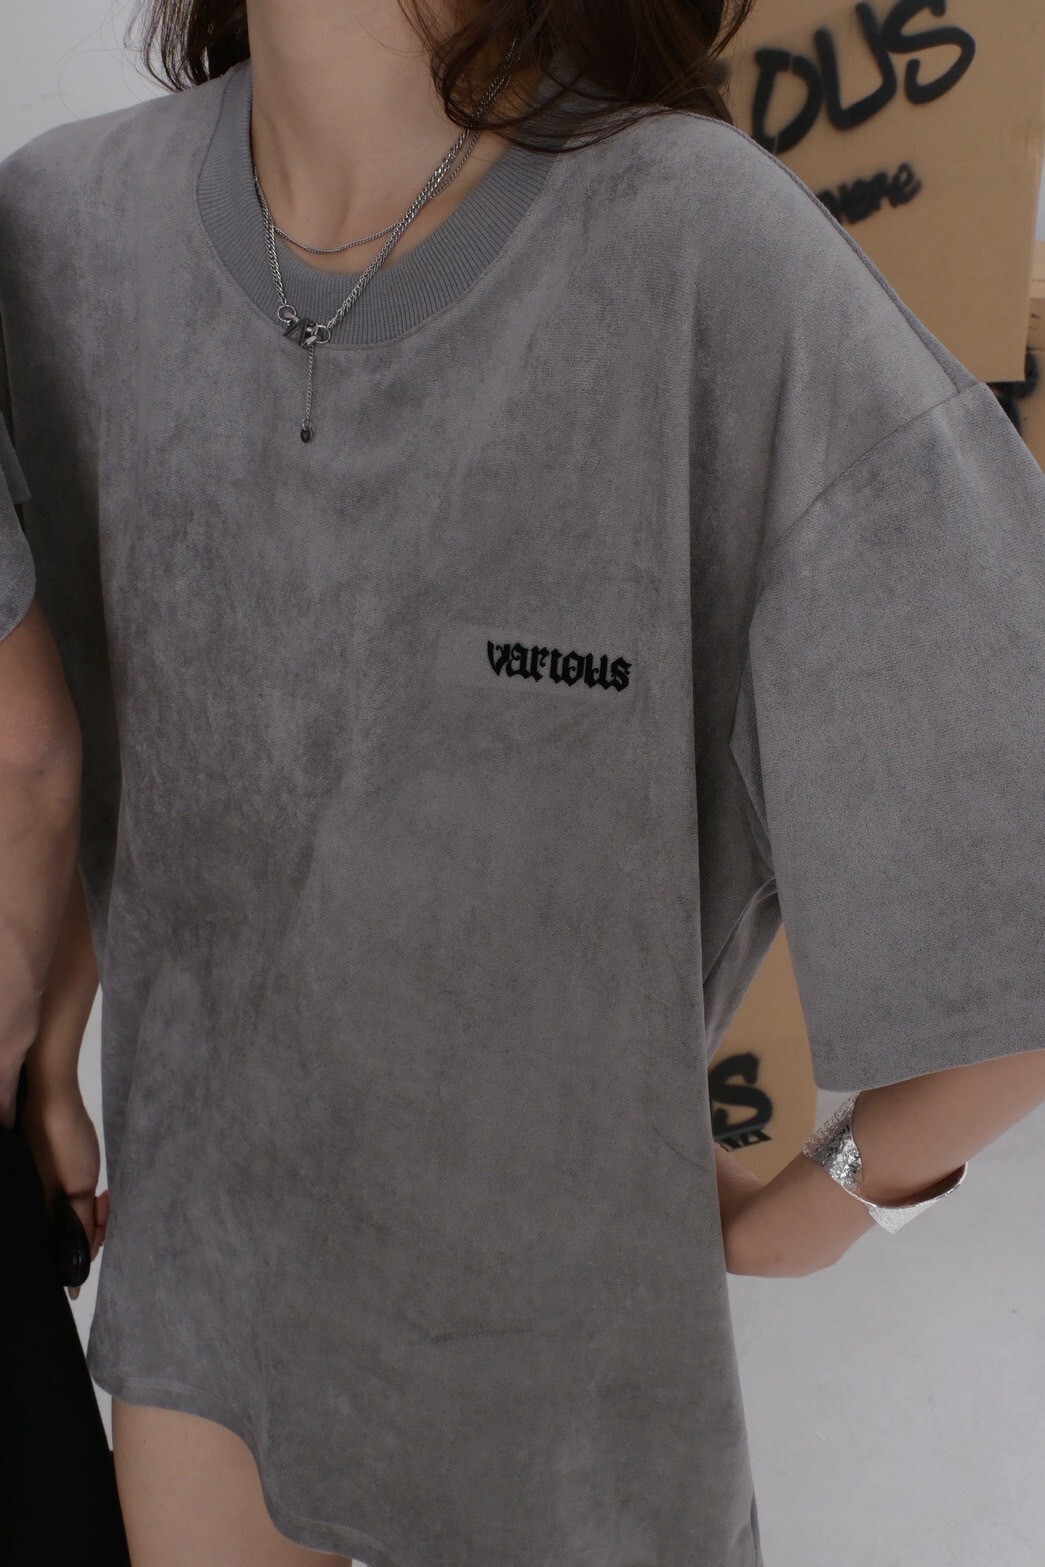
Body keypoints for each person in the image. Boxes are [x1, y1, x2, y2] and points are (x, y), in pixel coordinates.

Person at [1, 2, 1044, 1564]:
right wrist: (53, 1053)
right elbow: (78, 717)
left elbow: (1008, 841)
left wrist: (830, 1202)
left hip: (562, 1397)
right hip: (205, 1314)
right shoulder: (67, 225)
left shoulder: (694, 244)